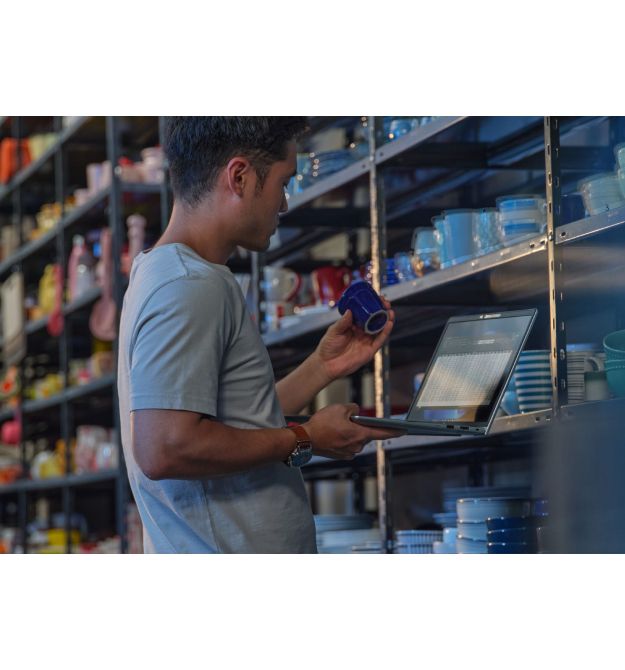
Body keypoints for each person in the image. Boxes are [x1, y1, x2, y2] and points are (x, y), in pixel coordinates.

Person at [117, 117, 402, 553]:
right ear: (239, 177)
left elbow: (229, 422)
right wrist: (306, 439)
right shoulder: (189, 284)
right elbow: (165, 448)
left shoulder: (165, 273)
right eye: (283, 183)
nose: (284, 204)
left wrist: (321, 367)